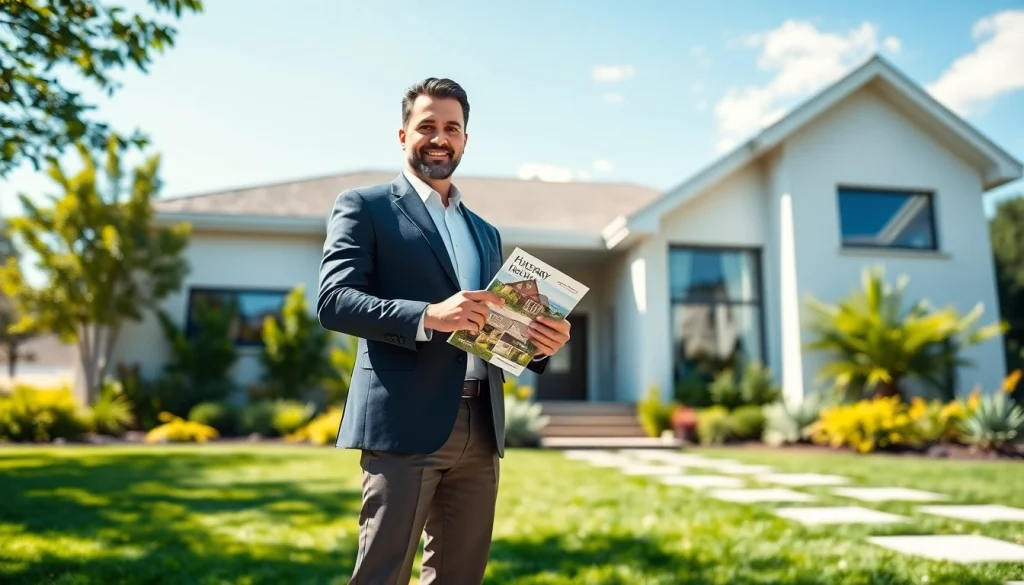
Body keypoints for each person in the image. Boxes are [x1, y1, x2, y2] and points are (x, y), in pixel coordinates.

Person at [317, 77, 571, 585]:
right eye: (427, 126)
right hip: (405, 422)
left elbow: (493, 328)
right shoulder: (365, 207)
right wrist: (428, 315)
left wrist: (540, 345)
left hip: (481, 424)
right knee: (382, 573)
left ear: (465, 140)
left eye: (451, 128)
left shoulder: (484, 231)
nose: (440, 137)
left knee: (460, 576)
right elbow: (334, 301)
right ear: (402, 134)